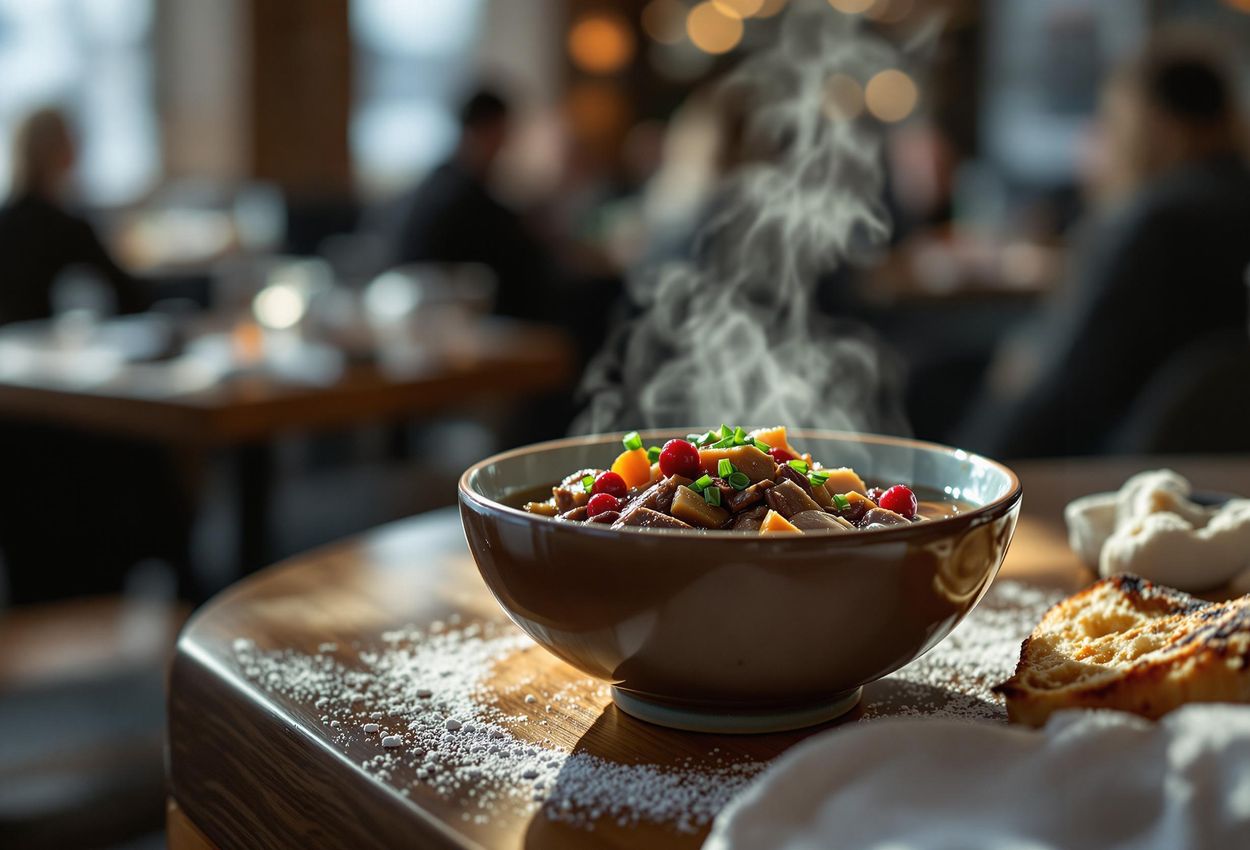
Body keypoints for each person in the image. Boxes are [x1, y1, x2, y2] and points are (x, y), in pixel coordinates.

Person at [963, 38, 1250, 458]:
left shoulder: (1151, 222)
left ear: (1156, 125)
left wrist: (981, 472)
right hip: (1210, 444)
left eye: (1114, 120)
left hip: (1111, 450)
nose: (1104, 138)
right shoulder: (1229, 198)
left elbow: (1063, 385)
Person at [386, 88, 551, 321]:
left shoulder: (441, 180)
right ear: (484, 130)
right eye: (501, 133)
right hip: (448, 319)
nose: (504, 145)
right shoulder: (456, 196)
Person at [0, 107, 144, 325]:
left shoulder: (7, 219)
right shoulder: (65, 227)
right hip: (38, 347)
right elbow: (129, 295)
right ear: (63, 153)